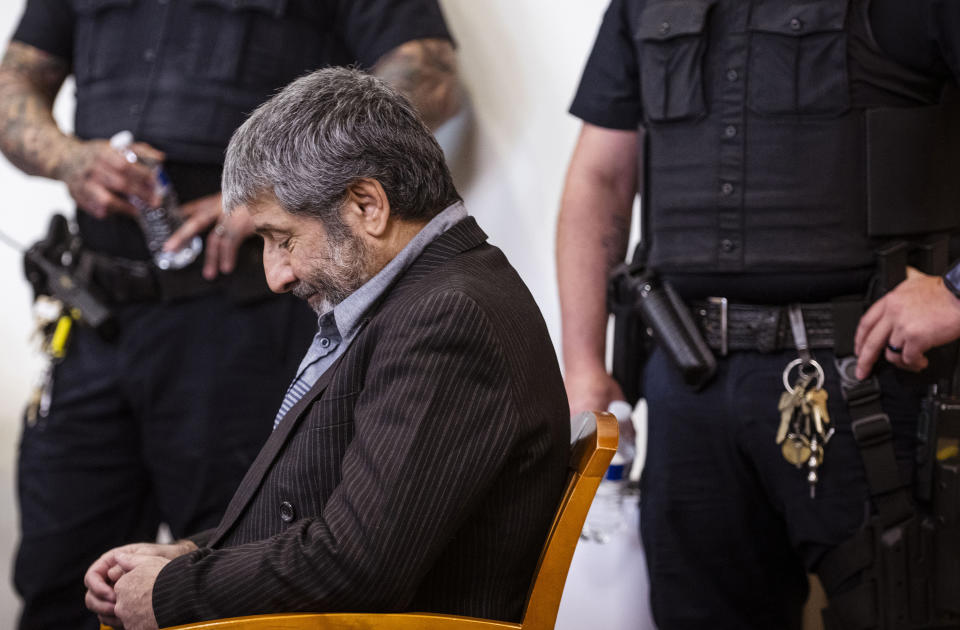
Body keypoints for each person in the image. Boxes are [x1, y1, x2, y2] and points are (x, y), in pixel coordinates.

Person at [0, 2, 459, 628]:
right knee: (64, 580)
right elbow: (16, 79)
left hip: (242, 320)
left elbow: (427, 75)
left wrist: (274, 190)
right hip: (96, 318)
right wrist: (69, 159)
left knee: (230, 579)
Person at [82, 66, 570, 630]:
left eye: (282, 239)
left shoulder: (445, 318)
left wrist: (170, 593)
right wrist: (191, 554)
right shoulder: (426, 298)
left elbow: (358, 564)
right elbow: (329, 521)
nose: (276, 276)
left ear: (368, 205)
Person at [557, 0, 960, 628]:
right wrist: (583, 364)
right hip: (691, 385)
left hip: (874, 378)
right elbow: (600, 178)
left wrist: (957, 292)